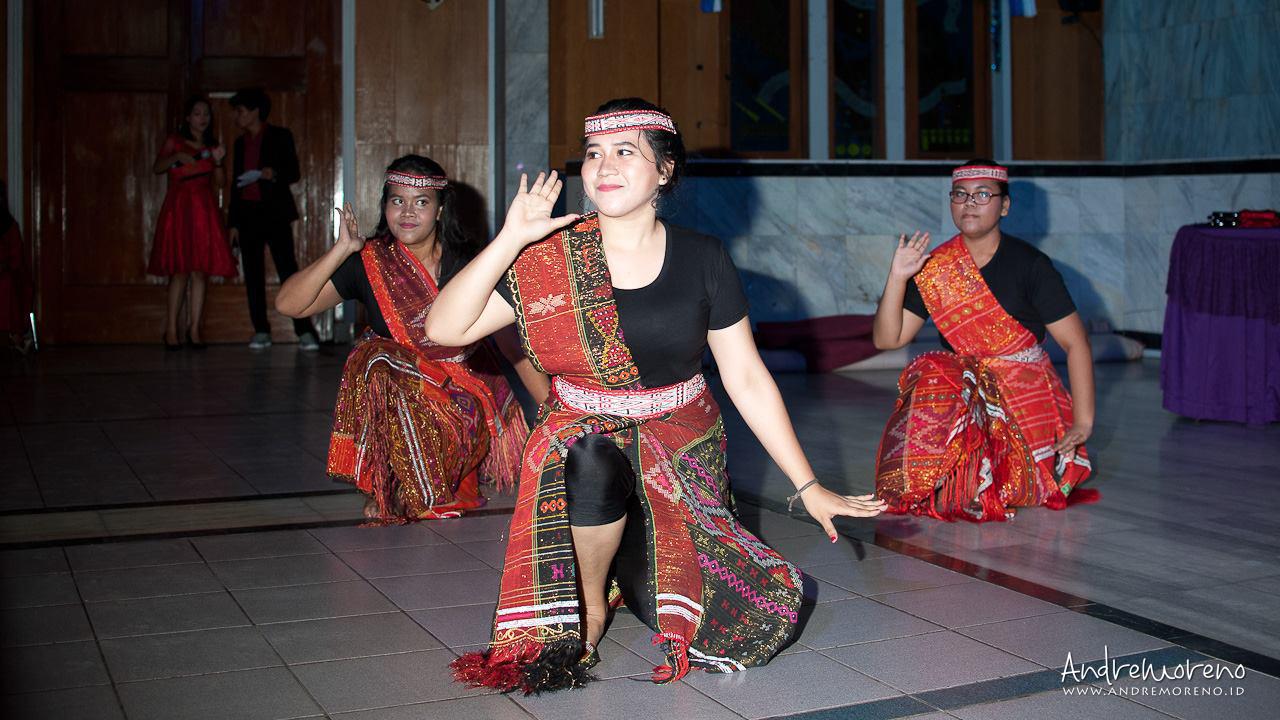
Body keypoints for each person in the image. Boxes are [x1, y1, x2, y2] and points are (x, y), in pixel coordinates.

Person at [428, 98, 884, 693]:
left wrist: (808, 485)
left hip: (680, 452)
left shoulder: (703, 257)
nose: (604, 166)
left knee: (727, 626)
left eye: (626, 151)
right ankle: (590, 601)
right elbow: (444, 329)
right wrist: (510, 238)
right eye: (594, 153)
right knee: (590, 449)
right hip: (581, 452)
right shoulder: (547, 259)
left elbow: (746, 377)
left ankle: (630, 554)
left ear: (665, 170)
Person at [276, 155, 542, 521]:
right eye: (397, 201)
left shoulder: (469, 263)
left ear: (440, 209)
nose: (407, 213)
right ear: (385, 206)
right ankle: (392, 481)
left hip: (462, 406)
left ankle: (427, 479)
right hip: (400, 402)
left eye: (421, 202)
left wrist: (553, 413)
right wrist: (341, 251)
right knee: (375, 358)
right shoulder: (370, 261)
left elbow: (513, 345)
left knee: (388, 364)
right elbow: (290, 305)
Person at [871, 160, 1097, 522]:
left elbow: (1076, 343)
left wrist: (1083, 422)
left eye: (982, 195)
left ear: (1004, 206)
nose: (969, 204)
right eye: (960, 195)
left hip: (1022, 393)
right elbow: (887, 339)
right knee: (933, 370)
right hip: (968, 393)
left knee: (1003, 486)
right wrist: (897, 277)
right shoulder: (935, 267)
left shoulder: (1031, 264)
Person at [228, 87, 318, 350]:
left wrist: (272, 173)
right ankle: (261, 330)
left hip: (275, 215)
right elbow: (235, 185)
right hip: (247, 216)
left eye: (240, 111)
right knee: (252, 275)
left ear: (255, 111)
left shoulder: (280, 135)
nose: (237, 116)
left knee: (288, 272)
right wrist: (232, 223)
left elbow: (294, 172)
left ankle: (304, 331)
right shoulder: (239, 143)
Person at [147, 96, 237, 350]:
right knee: (180, 270)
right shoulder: (175, 142)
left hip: (203, 208)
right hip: (179, 207)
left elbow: (221, 182)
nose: (202, 118)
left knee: (200, 271)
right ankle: (171, 330)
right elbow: (157, 168)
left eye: (206, 113)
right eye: (197, 113)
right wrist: (177, 156)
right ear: (188, 117)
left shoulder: (213, 146)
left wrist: (218, 161)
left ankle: (195, 329)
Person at [0, 182, 33, 353]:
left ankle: (15, 335)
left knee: (7, 284)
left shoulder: (10, 226)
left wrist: (4, 266)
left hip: (7, 273)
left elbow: (16, 259)